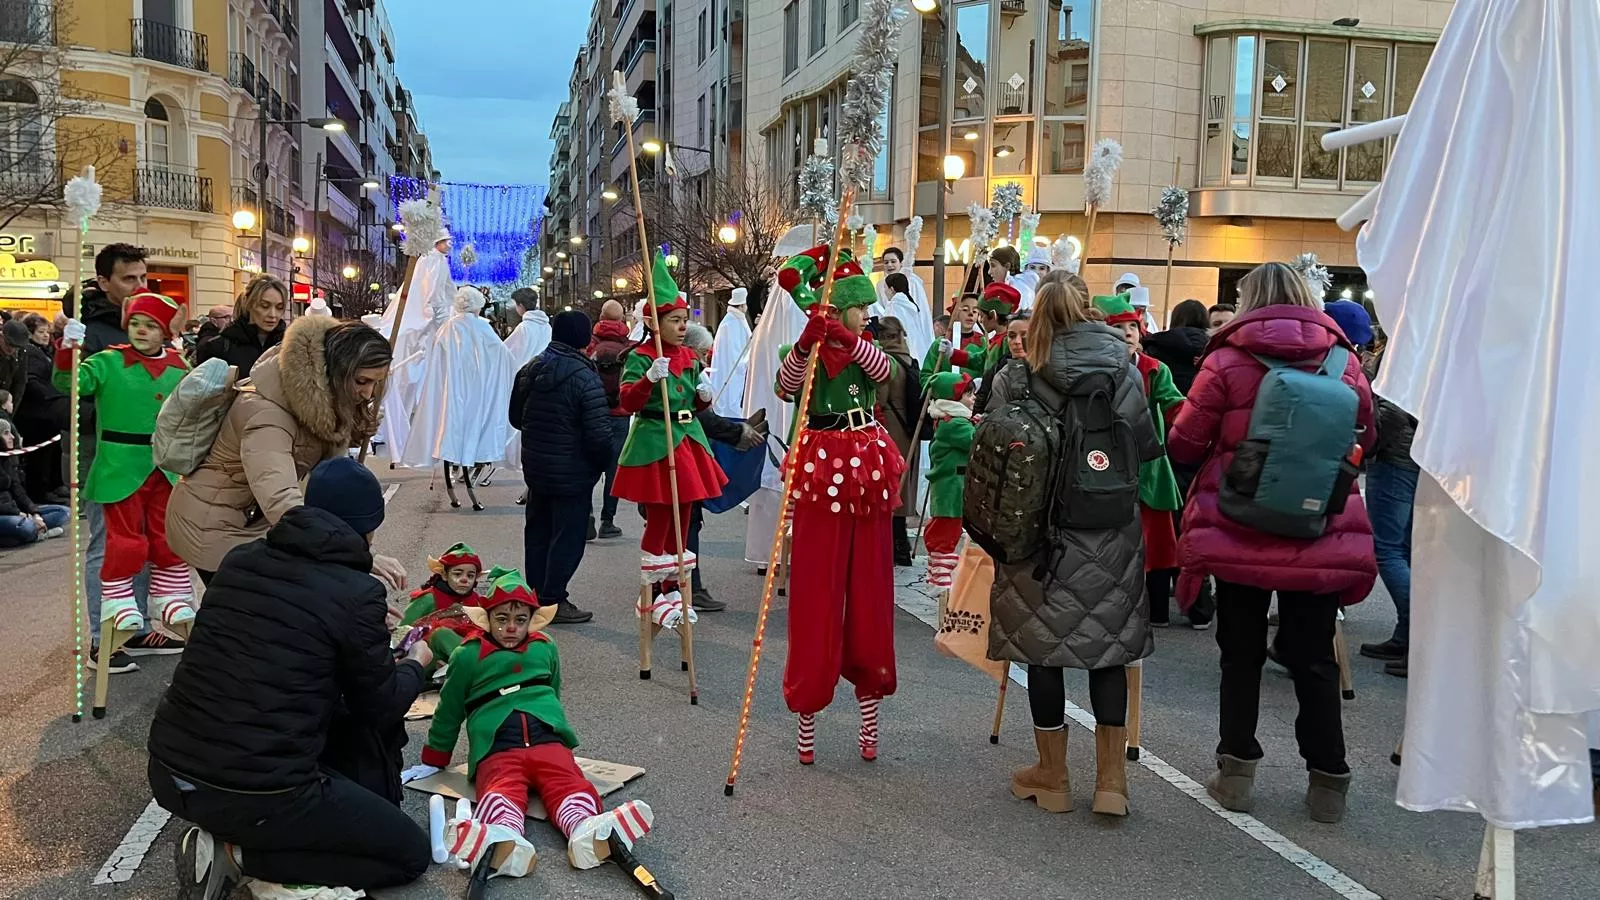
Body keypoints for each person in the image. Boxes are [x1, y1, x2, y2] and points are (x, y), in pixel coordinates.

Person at [149, 456, 433, 897]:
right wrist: (418, 660)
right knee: (408, 853)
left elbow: (281, 640)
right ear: (368, 527)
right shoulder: (357, 592)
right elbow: (381, 705)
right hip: (258, 790)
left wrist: (352, 634)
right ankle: (235, 855)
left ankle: (236, 834)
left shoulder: (240, 560)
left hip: (169, 771)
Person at [1167, 261, 1376, 825]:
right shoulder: (1344, 361)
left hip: (1240, 522)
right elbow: (1367, 435)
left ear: (1250, 300)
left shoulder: (1227, 359)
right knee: (1312, 658)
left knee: (1240, 655)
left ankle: (1235, 771)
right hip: (1318, 524)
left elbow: (1185, 444)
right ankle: (1328, 780)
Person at [982, 279, 1161, 818]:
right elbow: (1147, 447)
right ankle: (1111, 783)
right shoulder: (1124, 369)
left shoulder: (1016, 375)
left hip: (1039, 535)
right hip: (1111, 530)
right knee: (1108, 649)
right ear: (1088, 311)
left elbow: (992, 447)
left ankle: (1053, 776)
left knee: (1044, 651)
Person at [401, 568, 656, 878]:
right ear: (487, 619)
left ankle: (586, 831)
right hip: (497, 742)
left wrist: (554, 722)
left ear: (531, 620)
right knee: (500, 786)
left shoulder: (544, 647)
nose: (510, 628)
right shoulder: (467, 656)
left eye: (520, 620)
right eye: (502, 619)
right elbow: (449, 711)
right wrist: (434, 758)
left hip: (546, 736)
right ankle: (503, 839)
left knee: (568, 780)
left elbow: (554, 689)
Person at [774, 247, 906, 765]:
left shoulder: (864, 344)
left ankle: (870, 710)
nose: (868, 315)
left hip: (866, 461)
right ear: (839, 306)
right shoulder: (805, 346)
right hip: (820, 463)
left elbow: (884, 375)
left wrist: (849, 339)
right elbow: (787, 389)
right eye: (860, 308)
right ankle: (808, 710)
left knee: (870, 587)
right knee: (815, 587)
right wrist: (808, 344)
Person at [166, 317, 400, 584]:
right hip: (213, 528)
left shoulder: (323, 394)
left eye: (375, 383)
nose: (368, 394)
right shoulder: (266, 415)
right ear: (337, 370)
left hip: (253, 521)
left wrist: (355, 427)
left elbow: (326, 463)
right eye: (361, 381)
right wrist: (357, 557)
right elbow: (281, 501)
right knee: (269, 615)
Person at [57, 293, 196, 638]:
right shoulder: (107, 362)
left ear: (164, 331)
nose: (141, 331)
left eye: (150, 326)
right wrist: (67, 349)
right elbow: (69, 384)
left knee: (167, 536)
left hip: (164, 467)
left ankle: (170, 595)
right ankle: (118, 601)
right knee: (124, 539)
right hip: (118, 467)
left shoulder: (181, 367)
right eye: (135, 324)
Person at [613, 254, 728, 628]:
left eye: (684, 320)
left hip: (687, 439)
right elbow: (627, 401)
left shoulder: (688, 357)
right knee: (660, 518)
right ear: (654, 323)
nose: (682, 327)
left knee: (686, 517)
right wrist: (648, 378)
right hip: (656, 439)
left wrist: (703, 396)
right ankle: (652, 593)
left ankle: (675, 587)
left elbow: (692, 401)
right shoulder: (641, 356)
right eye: (675, 321)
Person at [69, 246, 162, 672]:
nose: (139, 287)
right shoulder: (88, 333)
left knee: (142, 542)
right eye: (129, 279)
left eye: (144, 278)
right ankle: (101, 637)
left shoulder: (150, 325)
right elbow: (68, 395)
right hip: (105, 454)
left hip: (150, 459)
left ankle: (136, 624)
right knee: (108, 544)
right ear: (103, 282)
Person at [510, 309, 612, 624]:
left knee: (538, 531)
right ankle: (553, 599)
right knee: (568, 536)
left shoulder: (531, 367)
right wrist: (603, 464)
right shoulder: (585, 376)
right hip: (573, 471)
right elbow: (599, 435)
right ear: (585, 339)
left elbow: (515, 417)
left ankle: (536, 593)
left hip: (537, 468)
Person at [1093, 294, 1188, 629]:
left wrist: (1193, 425)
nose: (1128, 333)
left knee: (1159, 543)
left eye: (1132, 326)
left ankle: (1158, 609)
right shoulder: (1097, 371)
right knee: (1114, 542)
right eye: (1119, 327)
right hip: (1110, 465)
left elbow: (1176, 405)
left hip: (1150, 467)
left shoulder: (1154, 369)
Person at [400, 286, 514, 483]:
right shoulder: (483, 327)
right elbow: (502, 355)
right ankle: (471, 459)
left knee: (452, 420)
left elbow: (437, 360)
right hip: (478, 386)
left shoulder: (447, 328)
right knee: (475, 420)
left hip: (450, 386)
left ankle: (452, 455)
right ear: (477, 306)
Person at [1356, 333, 1417, 678]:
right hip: (1412, 456)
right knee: (1404, 549)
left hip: (1394, 456)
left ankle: (1415, 635)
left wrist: (1370, 440)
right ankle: (1407, 634)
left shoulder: (1402, 348)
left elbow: (1390, 407)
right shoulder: (1425, 343)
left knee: (1388, 549)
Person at [376, 228, 455, 456]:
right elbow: (430, 290)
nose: (449, 245)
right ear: (437, 242)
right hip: (429, 323)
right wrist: (432, 315)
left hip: (431, 321)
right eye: (445, 241)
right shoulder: (433, 261)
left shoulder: (433, 259)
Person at [873, 316, 922, 566]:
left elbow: (879, 399)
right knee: (903, 486)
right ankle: (901, 544)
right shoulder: (909, 359)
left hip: (890, 428)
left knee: (890, 486)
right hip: (909, 428)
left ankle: (895, 545)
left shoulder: (887, 362)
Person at [922, 373, 975, 589]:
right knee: (947, 532)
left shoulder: (949, 421)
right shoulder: (955, 424)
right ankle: (941, 581)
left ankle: (935, 576)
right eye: (968, 394)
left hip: (948, 488)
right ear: (953, 399)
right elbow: (974, 440)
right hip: (951, 489)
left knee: (944, 530)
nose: (973, 399)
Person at [393, 542, 486, 660]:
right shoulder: (428, 598)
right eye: (457, 574)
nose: (464, 579)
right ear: (444, 575)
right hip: (427, 657)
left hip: (463, 654)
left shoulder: (476, 601)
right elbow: (402, 629)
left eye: (470, 576)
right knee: (441, 634)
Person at [588, 300, 633, 538]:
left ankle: (586, 514)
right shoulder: (630, 347)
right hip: (620, 415)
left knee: (589, 465)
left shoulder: (588, 346)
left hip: (593, 414)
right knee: (614, 469)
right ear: (622, 319)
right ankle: (608, 521)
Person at [11, 315, 69, 502]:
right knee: (39, 456)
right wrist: (51, 395)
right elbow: (31, 381)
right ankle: (40, 491)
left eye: (47, 332)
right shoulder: (30, 352)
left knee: (49, 453)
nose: (45, 336)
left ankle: (51, 486)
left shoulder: (43, 352)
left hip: (45, 413)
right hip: (35, 414)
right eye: (41, 332)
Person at [196, 275, 287, 379]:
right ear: (249, 303)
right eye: (264, 306)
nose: (273, 314)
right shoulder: (217, 347)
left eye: (279, 307)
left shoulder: (291, 346)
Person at [0, 411, 66, 546]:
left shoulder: (7, 459)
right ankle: (35, 533)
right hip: (7, 513)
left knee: (63, 512)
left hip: (17, 511)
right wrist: (19, 514)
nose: (12, 437)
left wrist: (33, 512)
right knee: (24, 526)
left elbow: (18, 490)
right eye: (6, 433)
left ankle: (31, 531)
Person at [872, 249, 935, 360]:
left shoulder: (912, 281)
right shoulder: (881, 284)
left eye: (893, 261)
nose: (890, 265)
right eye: (886, 262)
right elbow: (881, 309)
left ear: (900, 263)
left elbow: (923, 312)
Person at [1142, 299, 1210, 394]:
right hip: (1202, 398)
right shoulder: (1215, 344)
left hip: (1167, 400)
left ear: (1176, 318)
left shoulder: (1158, 342)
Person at [708, 287, 751, 418]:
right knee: (731, 398)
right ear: (743, 304)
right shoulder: (732, 322)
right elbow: (734, 351)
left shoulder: (734, 320)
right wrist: (744, 364)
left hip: (734, 369)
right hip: (732, 370)